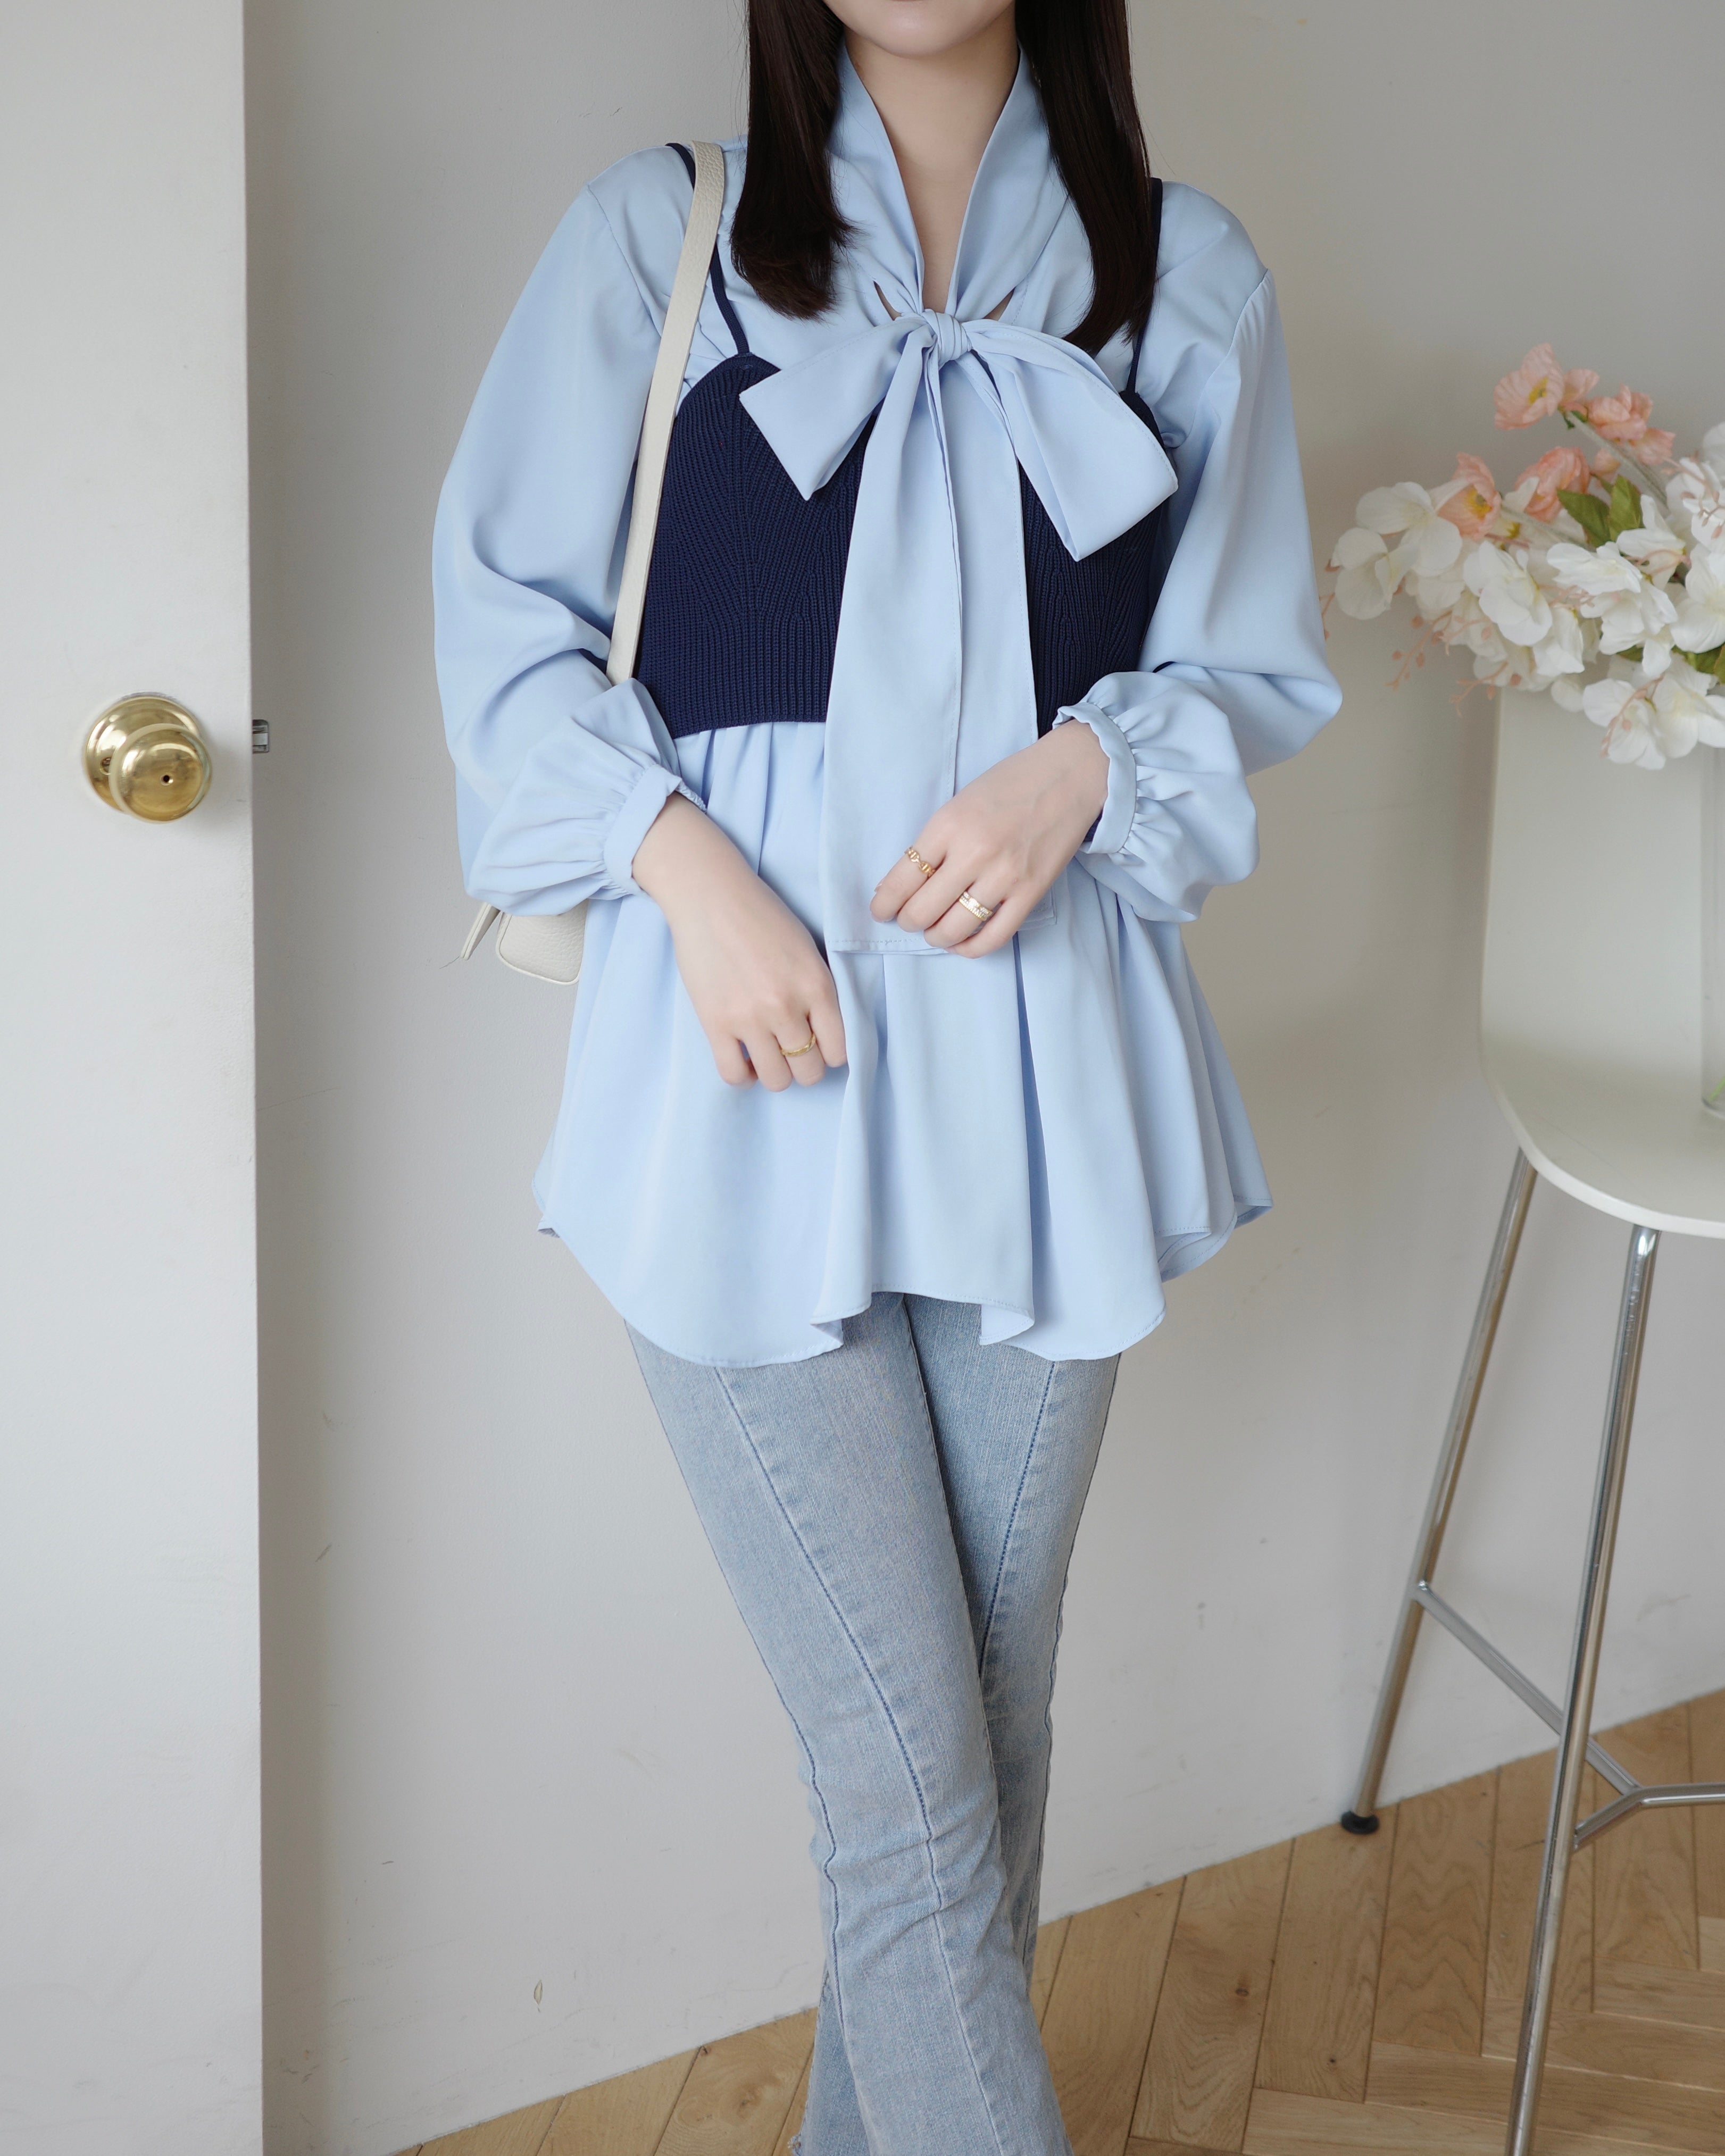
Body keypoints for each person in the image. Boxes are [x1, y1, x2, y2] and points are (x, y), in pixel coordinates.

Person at [434, 2, 1339, 2147]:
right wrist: (686, 873)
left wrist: (1075, 768)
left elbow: (1245, 662)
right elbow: (502, 624)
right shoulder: (657, 235)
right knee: (912, 1784)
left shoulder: (1185, 274)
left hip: (1048, 1086)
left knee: (972, 1760)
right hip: (739, 1084)